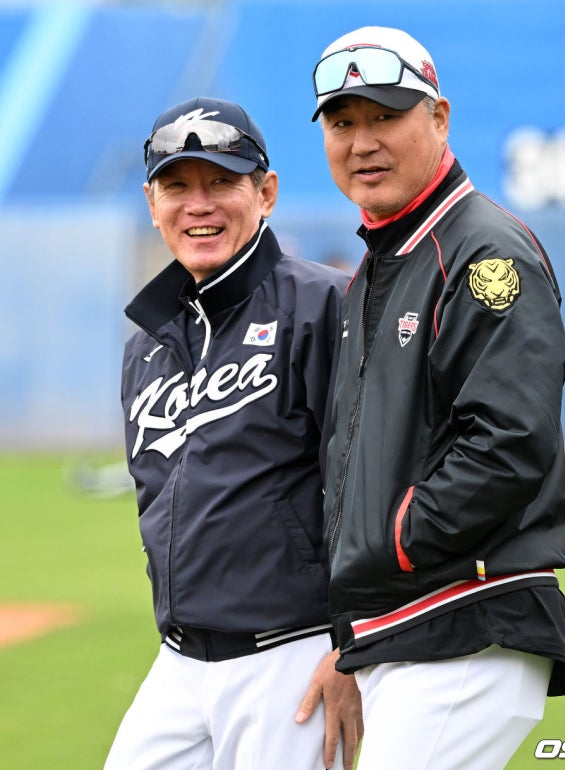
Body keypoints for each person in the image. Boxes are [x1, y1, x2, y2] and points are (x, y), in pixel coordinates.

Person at [310, 26, 565, 770]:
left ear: (439, 118)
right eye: (342, 122)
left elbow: (508, 442)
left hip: (467, 619)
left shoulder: (483, 251)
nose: (362, 142)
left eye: (385, 116)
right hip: (409, 620)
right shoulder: (385, 260)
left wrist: (390, 544)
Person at [105, 96, 362, 770]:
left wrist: (352, 644)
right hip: (181, 661)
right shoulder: (150, 341)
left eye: (222, 181)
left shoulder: (322, 305)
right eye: (177, 186)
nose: (199, 205)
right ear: (152, 203)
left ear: (265, 192)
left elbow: (369, 482)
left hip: (293, 655)